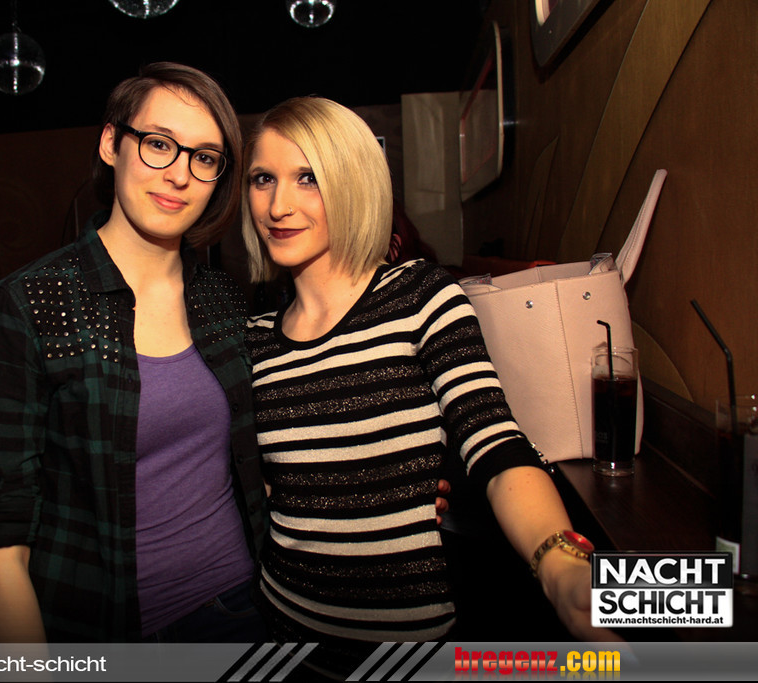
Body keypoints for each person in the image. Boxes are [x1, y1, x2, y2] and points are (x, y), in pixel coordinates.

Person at [241, 96, 616, 674]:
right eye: (263, 178)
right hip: (283, 637)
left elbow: (495, 442)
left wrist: (558, 560)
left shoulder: (420, 296)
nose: (277, 205)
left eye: (308, 177)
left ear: (353, 183)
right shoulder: (255, 339)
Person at [0, 62, 268, 643]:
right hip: (107, 630)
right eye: (159, 144)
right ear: (110, 143)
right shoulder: (26, 305)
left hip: (247, 605)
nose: (179, 174)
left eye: (204, 157)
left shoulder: (222, 298)